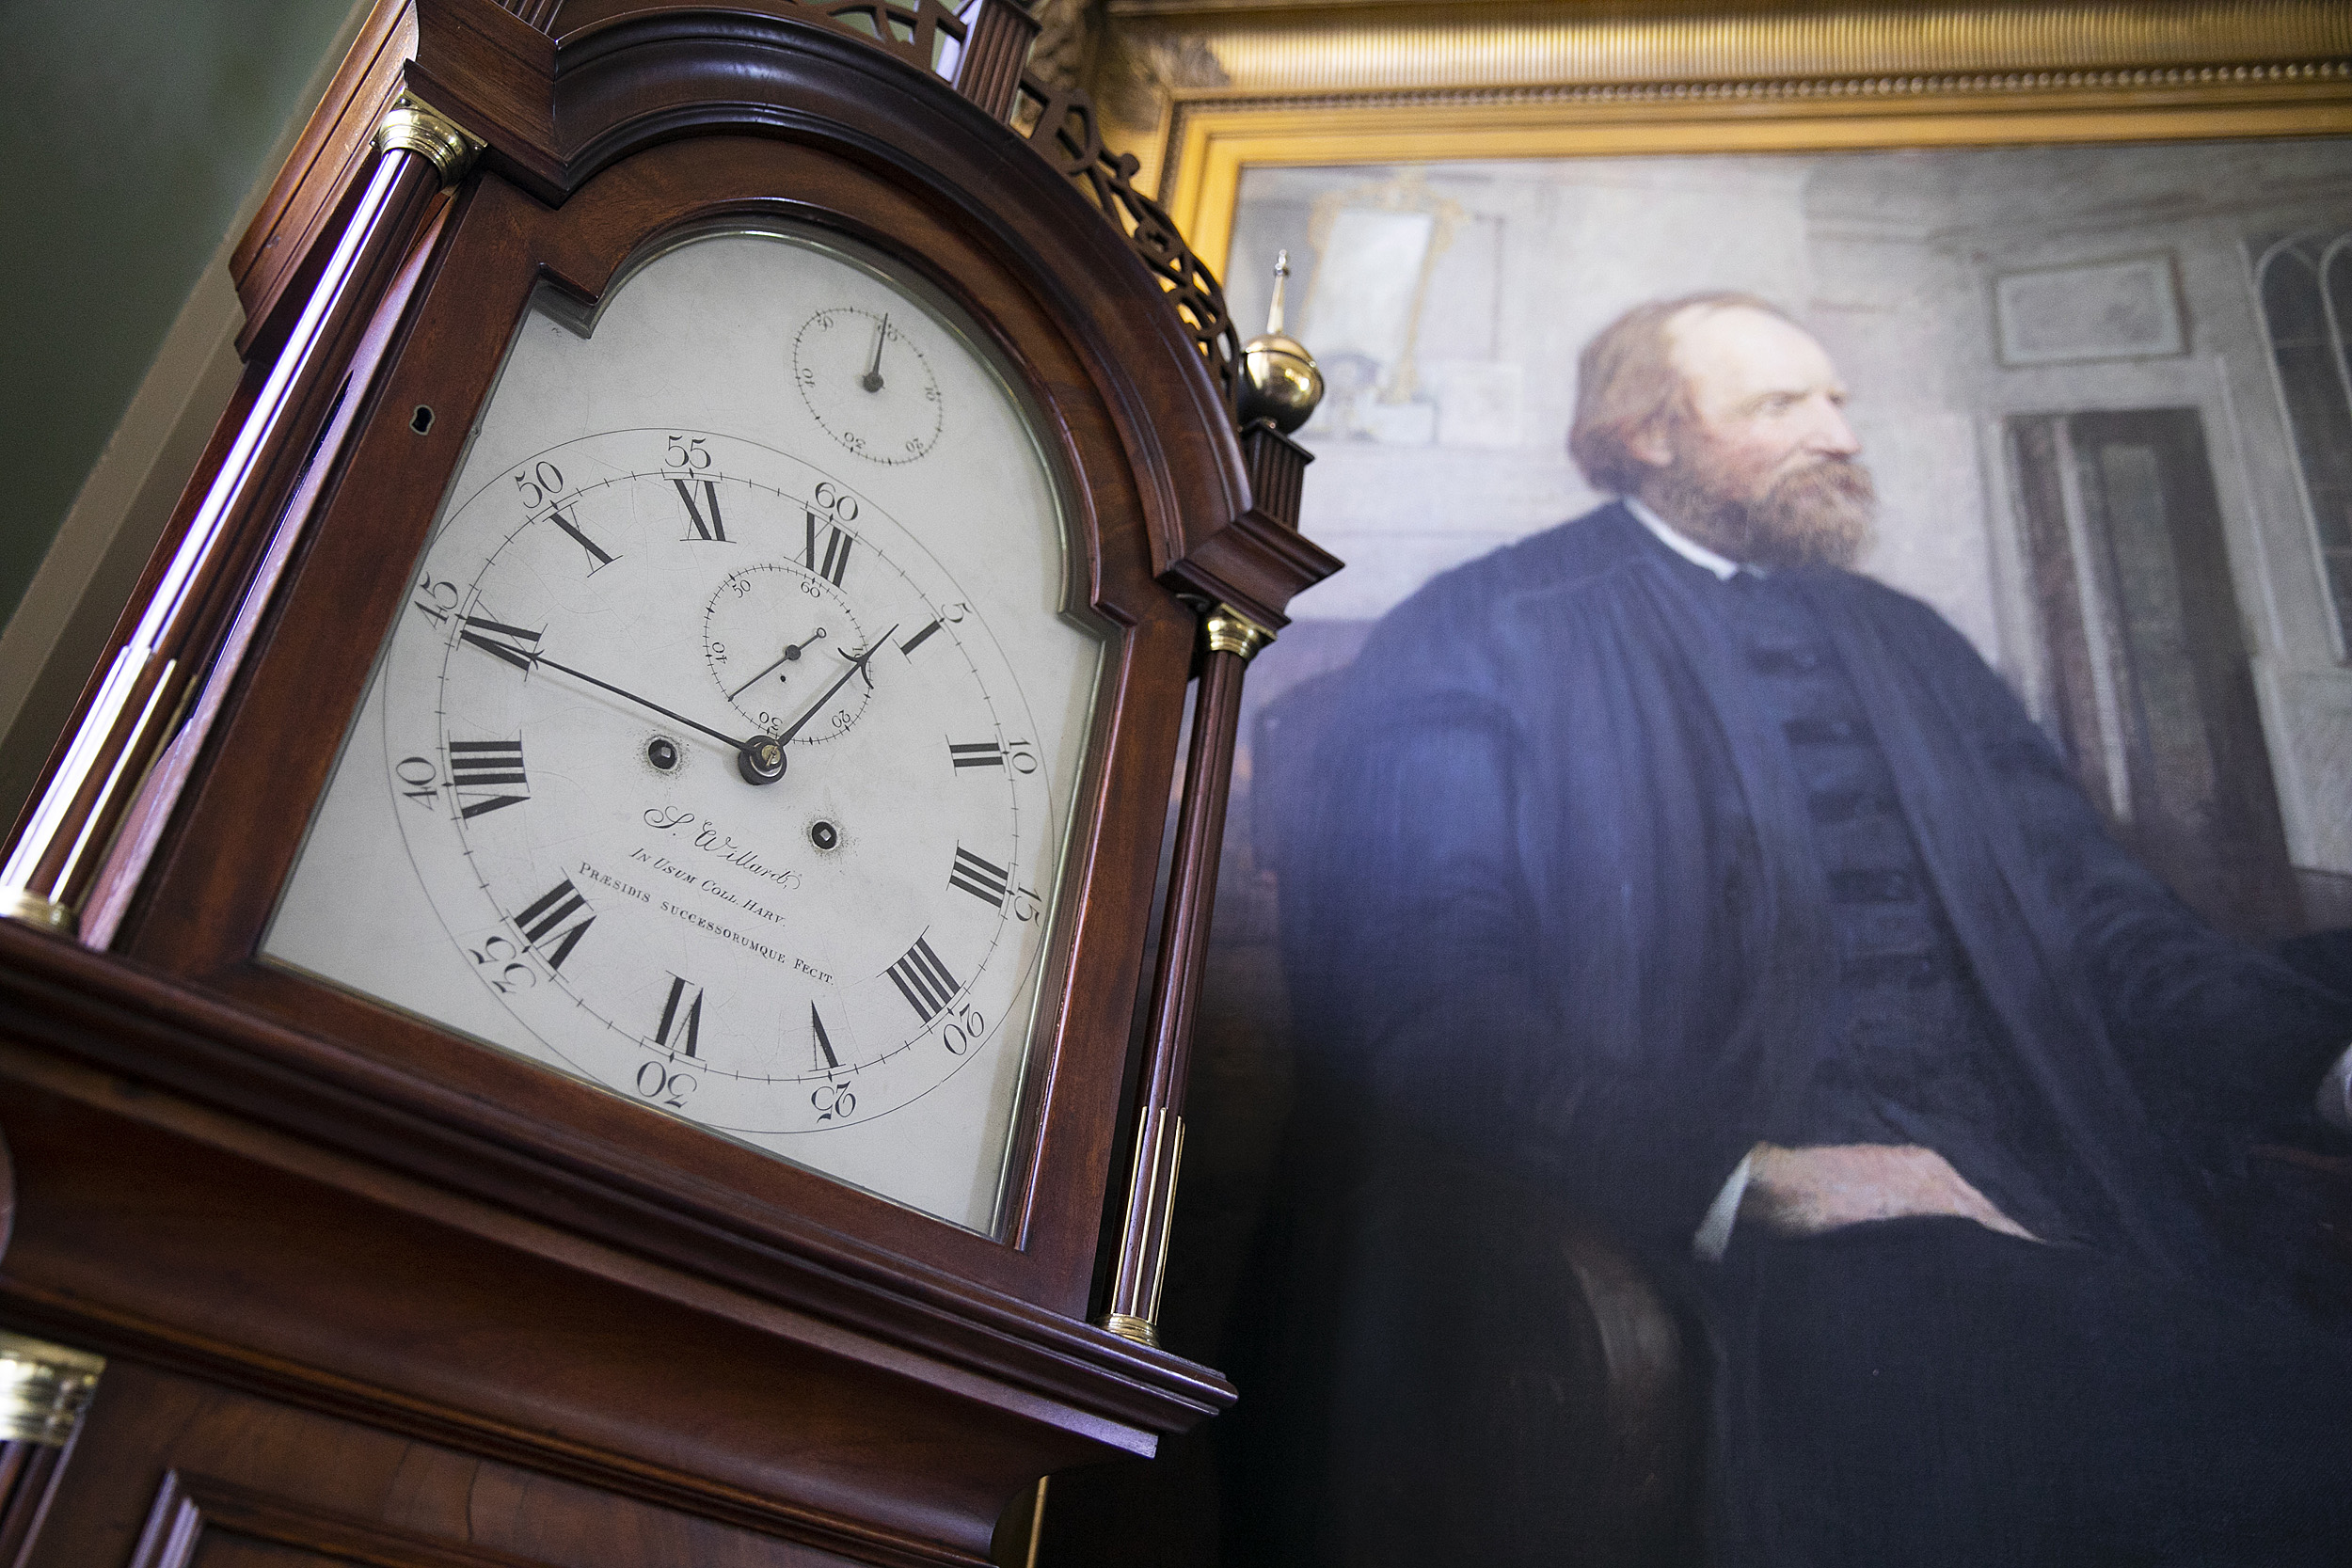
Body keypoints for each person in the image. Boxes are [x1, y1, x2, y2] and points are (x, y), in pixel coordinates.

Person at [1250, 292, 2352, 1565]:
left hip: (2067, 1179)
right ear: (1649, 435)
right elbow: (1422, 998)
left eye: (1837, 401)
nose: (1838, 433)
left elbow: (2106, 930)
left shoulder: (1907, 642)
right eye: (1783, 405)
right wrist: (1744, 1172)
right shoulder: (1490, 626)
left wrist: (2321, 1069)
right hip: (1762, 1245)